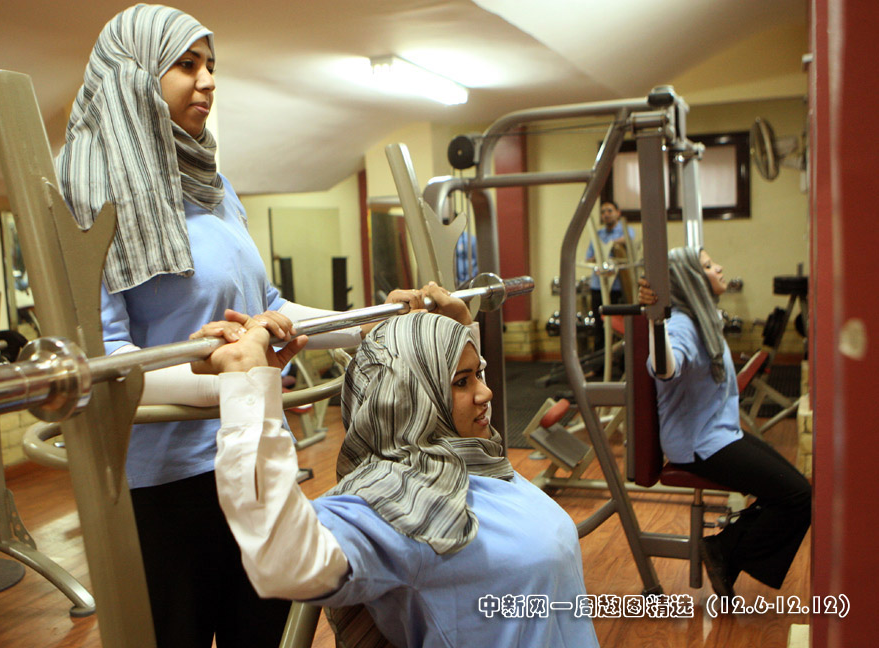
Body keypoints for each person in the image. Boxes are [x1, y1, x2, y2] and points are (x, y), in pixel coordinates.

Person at [55, 6, 426, 646]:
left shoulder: (214, 187)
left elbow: (269, 308)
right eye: (186, 65)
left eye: (211, 66)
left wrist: (375, 323)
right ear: (134, 75)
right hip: (163, 481)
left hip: (252, 448)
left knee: (267, 635)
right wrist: (233, 377)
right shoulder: (87, 194)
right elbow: (106, 360)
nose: (207, 81)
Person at [198, 284, 599, 648]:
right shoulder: (399, 501)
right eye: (463, 381)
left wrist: (458, 330)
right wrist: (248, 385)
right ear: (413, 396)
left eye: (477, 374)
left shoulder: (472, 458)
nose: (486, 392)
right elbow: (286, 559)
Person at [638, 247, 811, 598]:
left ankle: (724, 550)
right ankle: (724, 550)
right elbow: (664, 368)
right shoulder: (682, 324)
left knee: (795, 491)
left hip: (719, 434)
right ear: (689, 279)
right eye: (707, 265)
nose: (718, 268)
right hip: (698, 444)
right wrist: (655, 321)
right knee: (798, 495)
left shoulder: (702, 317)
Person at [585, 200, 636, 352]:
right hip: (598, 286)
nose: (606, 214)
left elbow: (628, 241)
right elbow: (589, 258)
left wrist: (609, 246)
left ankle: (621, 361)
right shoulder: (598, 235)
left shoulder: (625, 231)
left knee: (619, 328)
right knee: (599, 326)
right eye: (603, 212)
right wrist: (599, 257)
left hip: (617, 288)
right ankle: (600, 362)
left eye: (609, 211)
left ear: (618, 213)